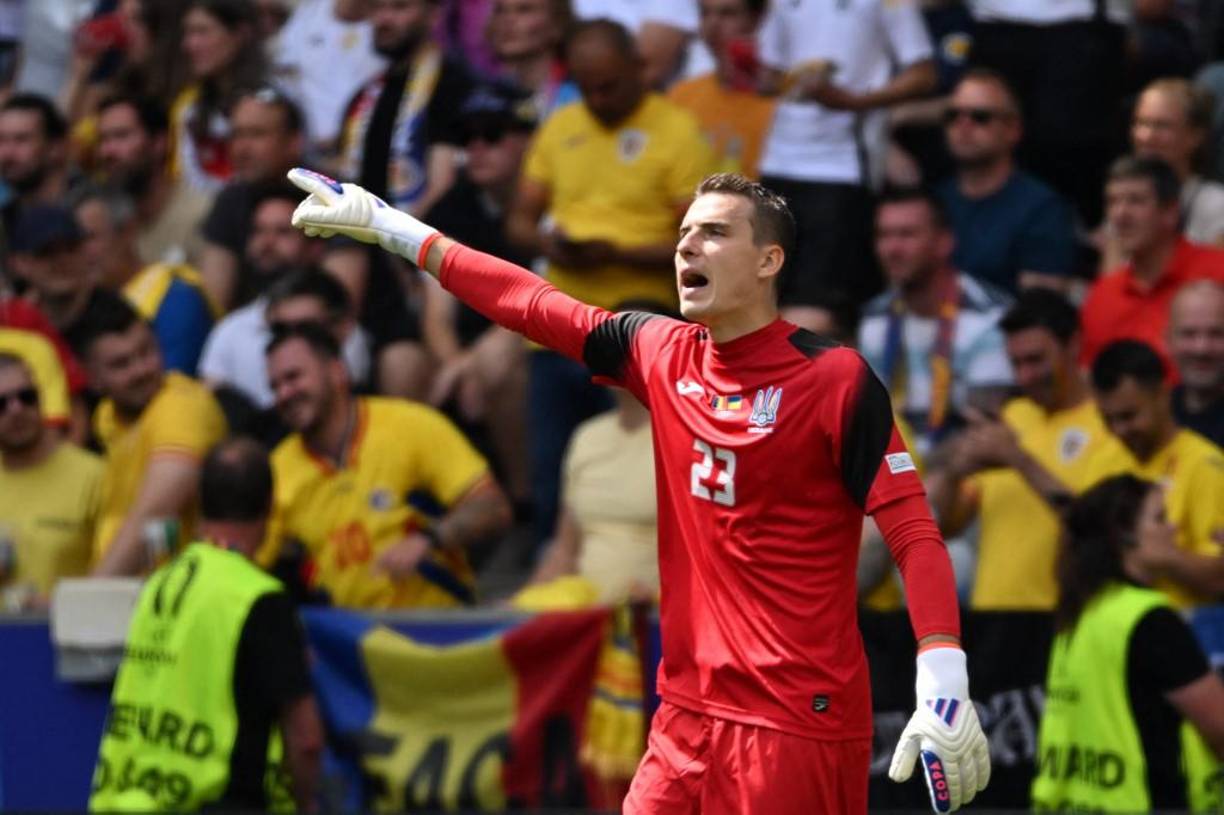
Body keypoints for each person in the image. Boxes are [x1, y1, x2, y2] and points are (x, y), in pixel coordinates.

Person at [288, 167, 991, 811]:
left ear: (769, 261)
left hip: (791, 722)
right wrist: (394, 228)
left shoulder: (832, 379)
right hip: (683, 715)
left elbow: (913, 529)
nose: (689, 246)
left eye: (715, 232)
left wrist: (943, 674)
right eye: (684, 233)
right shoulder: (661, 352)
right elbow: (529, 302)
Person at [507, 19, 715, 545]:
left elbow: (702, 240)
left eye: (610, 85)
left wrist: (618, 254)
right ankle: (550, 587)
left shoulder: (678, 131)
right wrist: (549, 245)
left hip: (640, 330)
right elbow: (518, 221)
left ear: (639, 69)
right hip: (557, 325)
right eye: (586, 85)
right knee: (555, 468)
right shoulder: (560, 126)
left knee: (636, 469)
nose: (598, 98)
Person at [90, 437, 324, 812]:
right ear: (268, 505)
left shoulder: (158, 584)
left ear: (200, 503)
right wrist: (307, 802)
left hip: (127, 800)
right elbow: (305, 737)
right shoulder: (258, 596)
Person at [263, 323, 512, 609]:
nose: (283, 393)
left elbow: (492, 507)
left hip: (437, 629)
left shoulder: (410, 426)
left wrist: (430, 538)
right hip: (346, 642)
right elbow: (257, 560)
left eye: (293, 377)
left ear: (337, 372)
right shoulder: (277, 469)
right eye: (275, 386)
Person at [1031, 474, 1224, 813]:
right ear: (1126, 535)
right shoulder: (1150, 621)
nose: (1173, 528)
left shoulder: (1081, 612)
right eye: (1159, 518)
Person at [930, 288, 1126, 610]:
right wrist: (954, 472)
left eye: (1035, 360)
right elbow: (949, 526)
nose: (1025, 376)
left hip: (1064, 613)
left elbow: (1096, 529)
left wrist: (1018, 459)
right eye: (1015, 363)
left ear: (1073, 345)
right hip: (993, 613)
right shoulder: (1012, 417)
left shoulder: (1110, 423)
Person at [755, 0, 936, 314]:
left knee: (819, 305)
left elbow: (923, 72)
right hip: (779, 157)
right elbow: (770, 71)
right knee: (765, 295)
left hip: (843, 164)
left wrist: (856, 101)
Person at [421, 82, 535, 509]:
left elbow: (546, 297)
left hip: (545, 332)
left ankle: (524, 504)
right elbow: (435, 317)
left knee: (498, 359)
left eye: (492, 134)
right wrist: (456, 366)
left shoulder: (550, 193)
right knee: (405, 365)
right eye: (467, 138)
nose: (476, 148)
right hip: (471, 343)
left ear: (528, 140)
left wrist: (470, 364)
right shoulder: (450, 209)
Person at [79, 292, 228, 576]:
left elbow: (157, 509)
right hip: (132, 594)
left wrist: (90, 595)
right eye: (121, 364)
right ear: (93, 378)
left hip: (181, 596)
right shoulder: (107, 418)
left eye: (147, 351)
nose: (141, 370)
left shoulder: (181, 404)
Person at [858, 187, 1012, 456]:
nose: (892, 249)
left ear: (944, 242)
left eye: (907, 235)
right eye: (884, 235)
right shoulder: (875, 319)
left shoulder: (989, 316)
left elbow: (984, 428)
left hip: (967, 472)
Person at [1087, 339, 1224, 610]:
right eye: (1107, 419)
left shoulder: (1206, 466)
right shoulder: (1101, 460)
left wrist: (1166, 558)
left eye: (1129, 416)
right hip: (1109, 627)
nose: (1118, 431)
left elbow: (1219, 578)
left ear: (1162, 394)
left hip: (1181, 632)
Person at [935, 69, 1077, 294]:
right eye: (953, 116)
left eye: (980, 117)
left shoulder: (1041, 209)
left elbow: (1041, 312)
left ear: (1013, 130)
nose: (963, 125)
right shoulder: (933, 203)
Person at [1080, 156, 1224, 370]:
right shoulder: (1102, 295)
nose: (1120, 214)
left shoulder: (1218, 272)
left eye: (1135, 201)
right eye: (1112, 202)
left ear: (1170, 212)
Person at [335, 0, 474, 215]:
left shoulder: (452, 86)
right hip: (366, 234)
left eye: (400, 7)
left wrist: (399, 239)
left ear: (433, 15)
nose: (385, 19)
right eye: (377, 8)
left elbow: (443, 185)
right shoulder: (365, 96)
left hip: (423, 236)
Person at [73, 185, 218, 376]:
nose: (81, 253)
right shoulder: (87, 307)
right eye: (74, 243)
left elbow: (170, 382)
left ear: (128, 231)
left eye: (90, 238)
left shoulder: (175, 298)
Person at [0, 353, 101, 609]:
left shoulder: (93, 475)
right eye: (1, 404)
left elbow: (117, 580)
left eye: (26, 397)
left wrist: (60, 604)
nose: (16, 410)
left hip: (67, 637)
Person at [198, 86, 307, 309]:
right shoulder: (231, 200)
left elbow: (342, 300)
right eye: (236, 135)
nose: (241, 148)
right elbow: (212, 303)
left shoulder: (334, 198)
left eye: (257, 134)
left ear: (294, 142)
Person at [96, 93, 214, 268]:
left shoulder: (202, 214)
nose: (107, 151)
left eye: (121, 136)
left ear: (159, 143)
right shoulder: (110, 223)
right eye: (103, 139)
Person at [667, 0, 775, 179]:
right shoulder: (681, 94)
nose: (713, 24)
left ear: (757, 20)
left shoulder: (778, 102)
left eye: (728, 14)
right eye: (705, 13)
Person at [168, 0, 267, 194]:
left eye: (202, 31)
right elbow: (188, 184)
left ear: (240, 34)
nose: (189, 44)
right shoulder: (189, 109)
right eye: (187, 33)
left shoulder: (275, 100)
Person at [271, 0, 386, 153]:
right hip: (304, 150)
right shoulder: (309, 13)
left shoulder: (390, 28)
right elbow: (285, 78)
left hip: (366, 146)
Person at [1131, 78, 1224, 247]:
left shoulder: (1216, 205)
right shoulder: (1123, 200)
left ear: (1196, 137)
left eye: (1162, 126)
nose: (1147, 136)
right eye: (1141, 123)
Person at [483, 0, 577, 118]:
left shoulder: (583, 94)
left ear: (558, 23)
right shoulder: (480, 99)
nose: (508, 19)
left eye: (524, 9)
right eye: (500, 10)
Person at [0, 93, 70, 239]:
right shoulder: (8, 212)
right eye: (2, 140)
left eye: (21, 140)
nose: (7, 153)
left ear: (55, 147)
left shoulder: (83, 213)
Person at [1168, 279, 1224, 446]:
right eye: (1189, 334)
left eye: (1216, 334)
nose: (1201, 349)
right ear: (1167, 340)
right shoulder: (1154, 416)